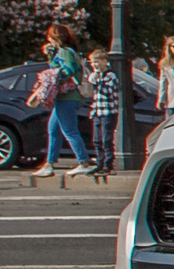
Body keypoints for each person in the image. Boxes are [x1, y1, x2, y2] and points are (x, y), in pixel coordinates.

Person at [29, 23, 89, 178]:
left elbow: (68, 69)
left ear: (53, 37)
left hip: (67, 97)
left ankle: (84, 162)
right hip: (66, 98)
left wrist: (54, 78)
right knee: (53, 130)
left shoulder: (64, 52)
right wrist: (50, 57)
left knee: (69, 131)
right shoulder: (65, 51)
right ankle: (49, 164)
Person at [82, 49, 118, 180]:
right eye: (92, 63)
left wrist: (97, 81)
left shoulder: (111, 76)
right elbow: (90, 88)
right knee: (97, 140)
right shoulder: (94, 76)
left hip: (108, 111)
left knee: (106, 139)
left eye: (97, 62)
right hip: (97, 111)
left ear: (104, 61)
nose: (94, 65)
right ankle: (99, 162)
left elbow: (109, 91)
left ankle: (109, 165)